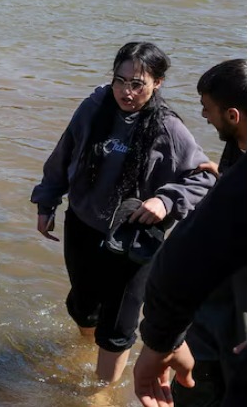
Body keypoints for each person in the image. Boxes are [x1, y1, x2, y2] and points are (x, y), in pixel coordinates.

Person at [31, 42, 215, 384]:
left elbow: (205, 176)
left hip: (133, 239)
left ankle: (102, 393)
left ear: (157, 83)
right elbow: (64, 153)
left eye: (137, 84)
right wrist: (47, 200)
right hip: (83, 225)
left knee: (117, 327)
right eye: (120, 80)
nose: (126, 92)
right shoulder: (94, 106)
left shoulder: (168, 128)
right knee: (82, 308)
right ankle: (93, 350)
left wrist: (166, 199)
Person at [161, 58, 246, 407]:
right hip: (208, 316)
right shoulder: (236, 151)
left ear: (233, 115)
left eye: (207, 109)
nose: (204, 116)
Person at [133, 153, 246, 407]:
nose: (204, 115)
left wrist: (161, 340)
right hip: (211, 331)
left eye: (208, 110)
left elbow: (182, 260)